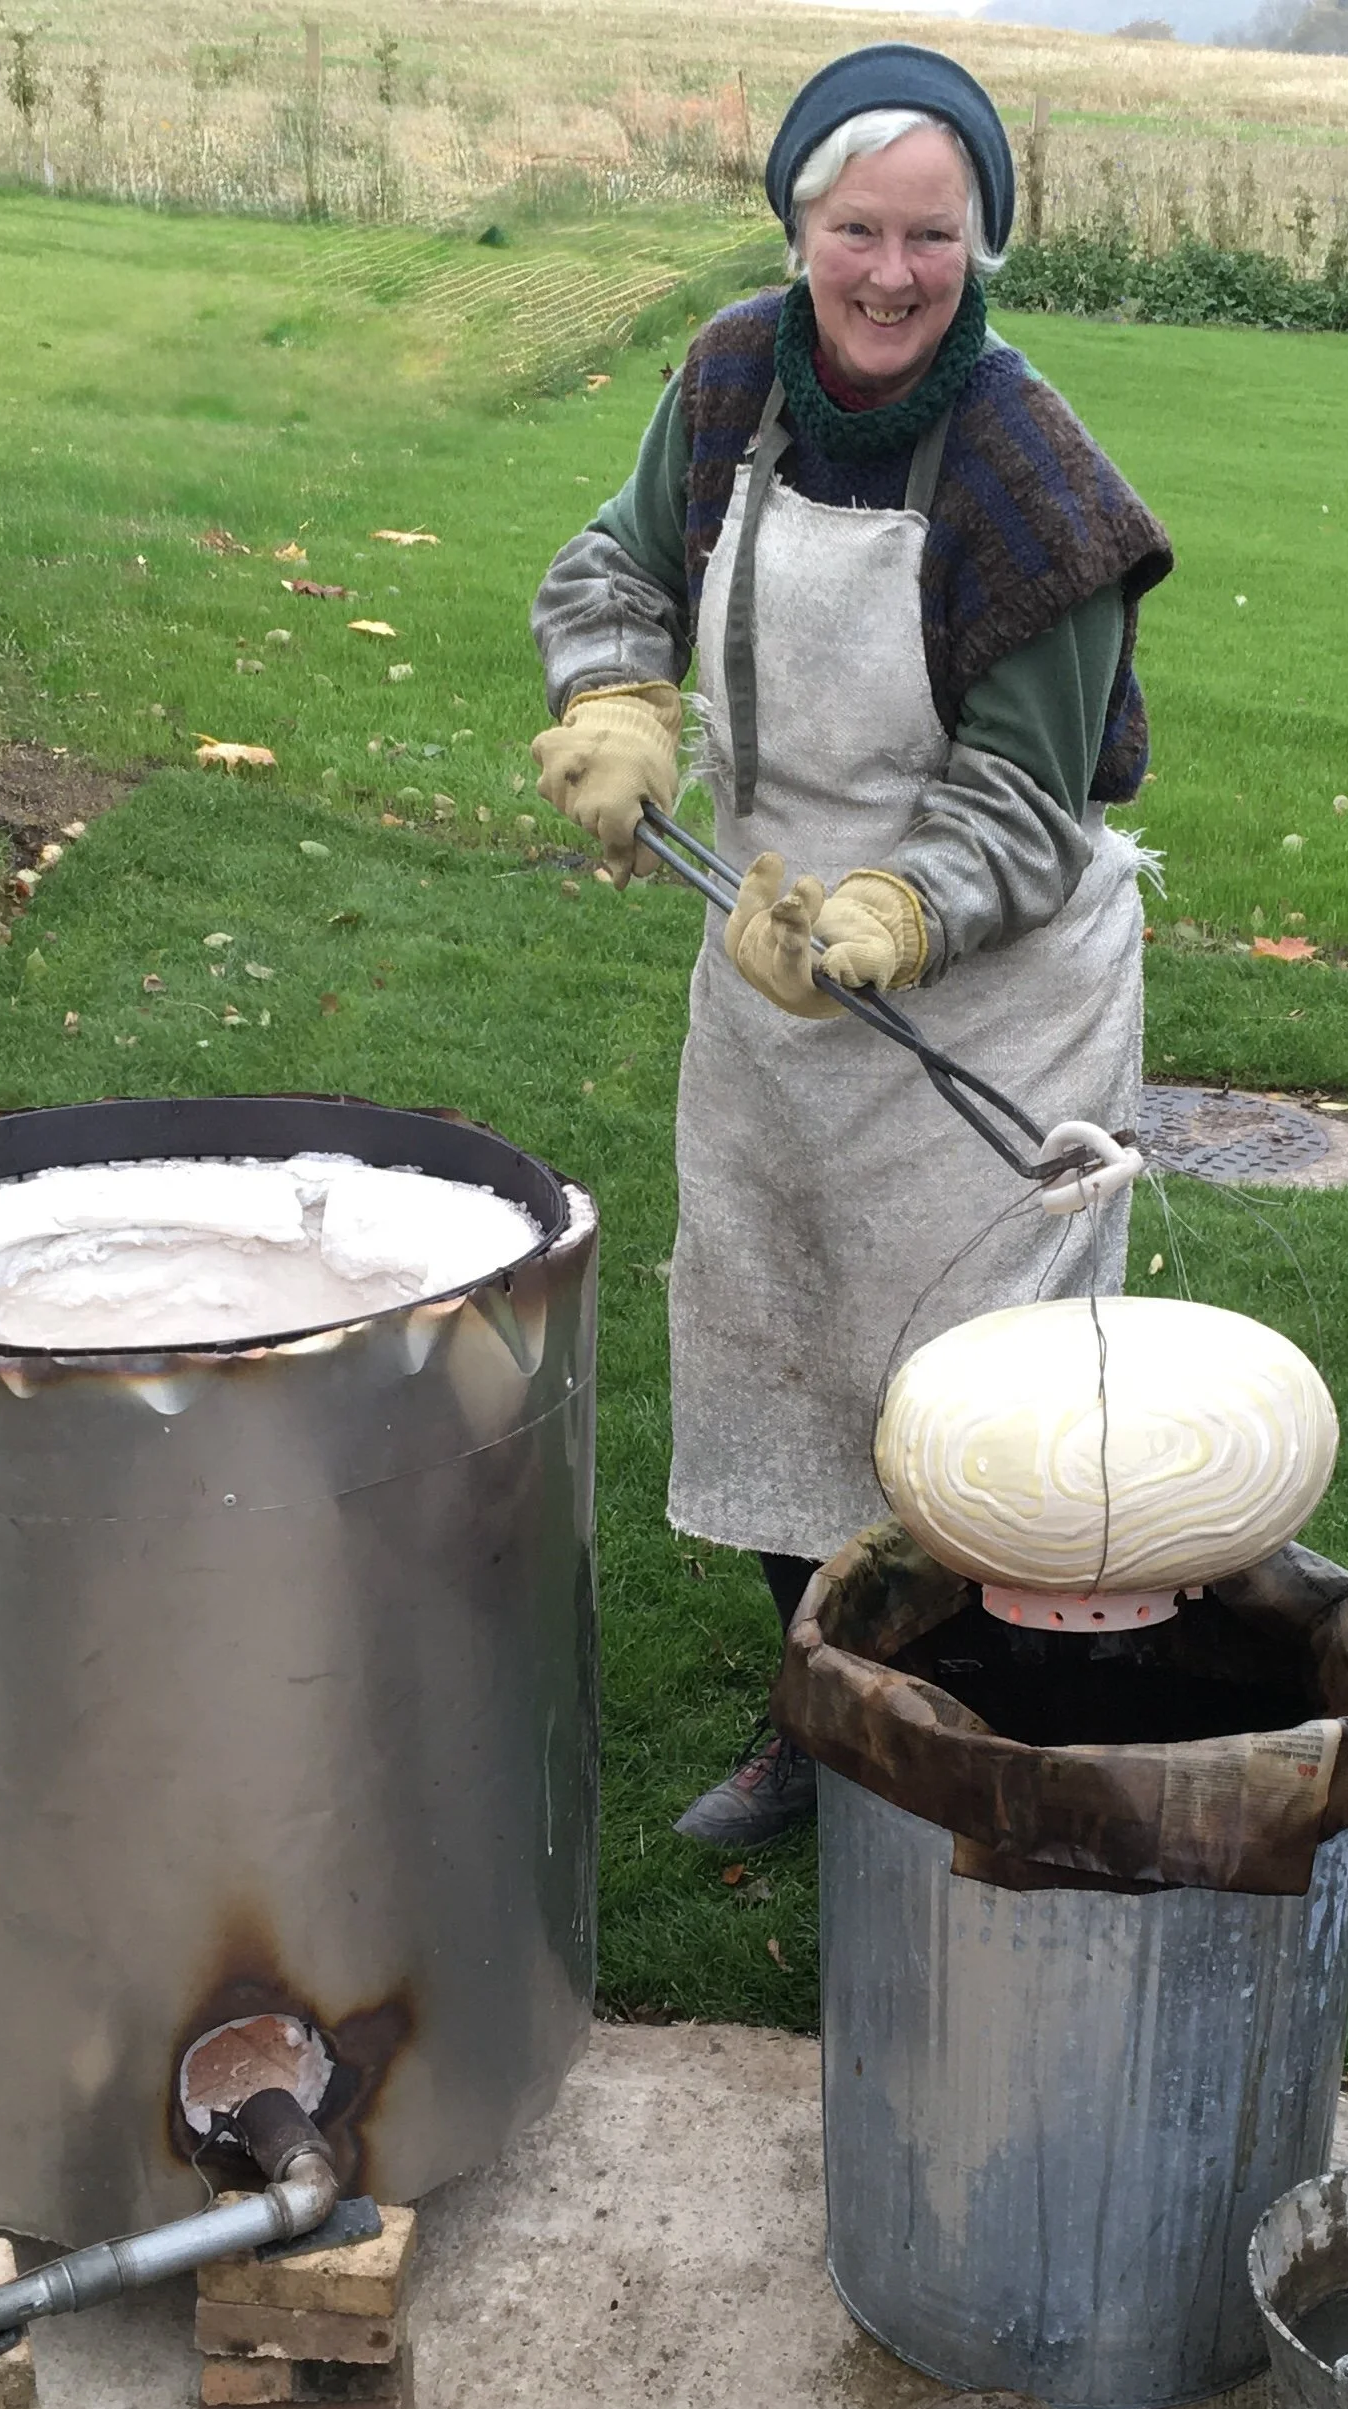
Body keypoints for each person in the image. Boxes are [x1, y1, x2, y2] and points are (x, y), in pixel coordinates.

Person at [528, 44, 1172, 1846]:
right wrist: (617, 698)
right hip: (766, 959)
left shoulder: (1036, 481)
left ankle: (970, 1744)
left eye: (934, 239)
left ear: (984, 243)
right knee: (774, 1347)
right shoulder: (733, 375)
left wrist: (895, 916)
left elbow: (1032, 800)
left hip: (989, 982)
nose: (891, 275)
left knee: (970, 1400)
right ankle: (826, 1722)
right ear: (801, 222)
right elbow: (618, 562)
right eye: (857, 230)